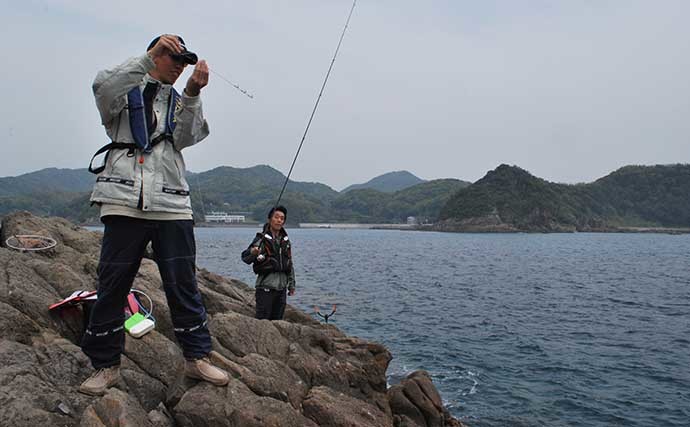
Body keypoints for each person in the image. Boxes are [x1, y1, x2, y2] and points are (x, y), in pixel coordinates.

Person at [79, 34, 229, 396]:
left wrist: (193, 92)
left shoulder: (180, 100)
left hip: (172, 203)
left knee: (183, 285)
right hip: (122, 200)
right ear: (155, 55)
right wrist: (147, 58)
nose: (178, 64)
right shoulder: (123, 93)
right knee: (113, 285)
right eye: (172, 56)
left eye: (183, 59)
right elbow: (101, 86)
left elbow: (189, 136)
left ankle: (196, 357)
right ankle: (106, 365)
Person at [241, 206, 296, 320]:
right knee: (262, 322)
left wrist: (291, 284)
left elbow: (289, 263)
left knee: (278, 322)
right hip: (265, 289)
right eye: (276, 217)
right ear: (270, 219)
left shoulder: (285, 241)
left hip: (281, 290)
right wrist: (253, 252)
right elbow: (245, 257)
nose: (279, 220)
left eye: (282, 218)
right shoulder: (261, 239)